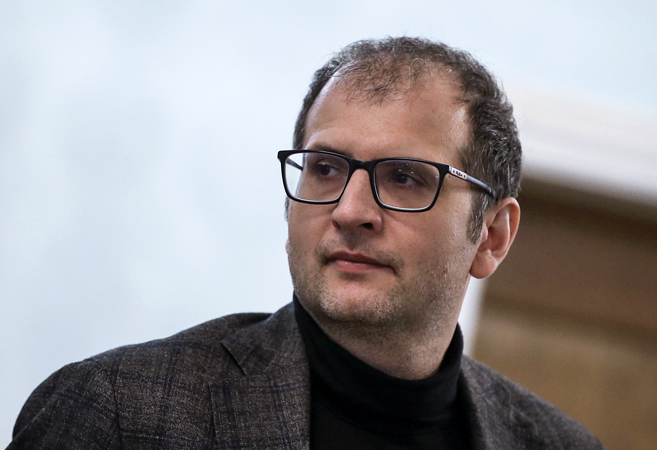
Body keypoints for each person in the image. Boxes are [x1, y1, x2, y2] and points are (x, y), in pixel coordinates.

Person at [8, 37, 603, 449]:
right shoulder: (119, 414)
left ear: (491, 236)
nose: (350, 211)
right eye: (325, 169)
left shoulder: (559, 445)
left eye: (404, 178)